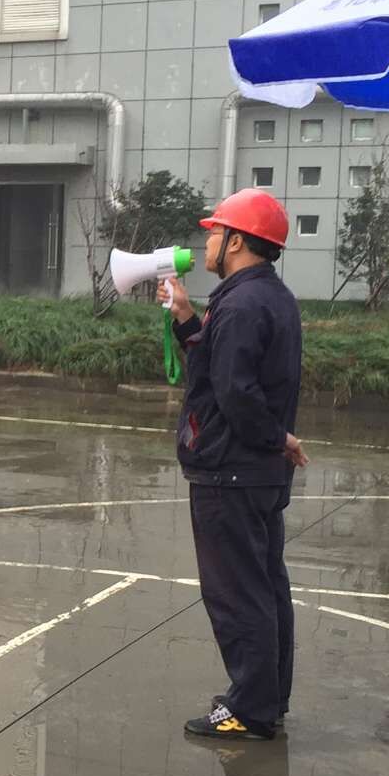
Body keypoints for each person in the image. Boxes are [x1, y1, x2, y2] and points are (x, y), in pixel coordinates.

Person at [161, 188, 306, 742]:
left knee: (237, 593)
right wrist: (186, 320)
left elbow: (235, 392)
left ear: (238, 241)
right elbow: (222, 365)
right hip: (255, 472)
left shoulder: (241, 305)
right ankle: (268, 698)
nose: (207, 244)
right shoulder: (268, 297)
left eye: (215, 233)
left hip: (231, 471)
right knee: (265, 585)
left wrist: (275, 437)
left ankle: (248, 706)